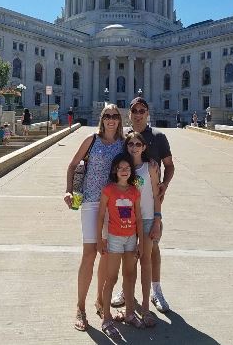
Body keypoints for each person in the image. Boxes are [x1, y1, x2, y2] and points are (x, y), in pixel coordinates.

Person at [64, 104, 124, 332]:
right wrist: (69, 190)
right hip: (90, 202)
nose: (111, 119)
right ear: (102, 119)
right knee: (89, 254)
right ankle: (80, 307)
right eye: (107, 116)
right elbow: (72, 166)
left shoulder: (123, 143)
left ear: (119, 120)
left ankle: (100, 302)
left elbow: (133, 169)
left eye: (115, 116)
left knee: (106, 254)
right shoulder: (91, 140)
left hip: (114, 206)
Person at [112, 97, 174, 313]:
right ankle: (124, 288)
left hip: (150, 206)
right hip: (127, 209)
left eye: (142, 110)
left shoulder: (159, 137)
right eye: (134, 110)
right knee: (127, 251)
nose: (138, 114)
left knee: (152, 249)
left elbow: (169, 165)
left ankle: (156, 290)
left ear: (147, 113)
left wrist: (164, 184)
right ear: (129, 113)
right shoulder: (124, 139)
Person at [97, 153, 144, 338]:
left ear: (131, 171)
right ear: (115, 171)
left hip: (131, 238)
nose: (124, 171)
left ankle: (130, 313)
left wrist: (139, 241)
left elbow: (138, 217)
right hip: (114, 238)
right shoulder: (109, 190)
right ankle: (106, 317)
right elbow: (101, 215)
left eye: (127, 168)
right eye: (120, 168)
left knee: (130, 276)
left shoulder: (134, 191)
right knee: (112, 278)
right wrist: (101, 238)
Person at [125, 132, 161, 326]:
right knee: (129, 265)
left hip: (147, 219)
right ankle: (130, 308)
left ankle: (146, 308)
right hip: (128, 221)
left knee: (145, 261)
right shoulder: (122, 167)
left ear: (144, 147)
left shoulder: (151, 167)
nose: (134, 147)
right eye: (131, 144)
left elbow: (156, 196)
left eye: (138, 144)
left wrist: (157, 219)